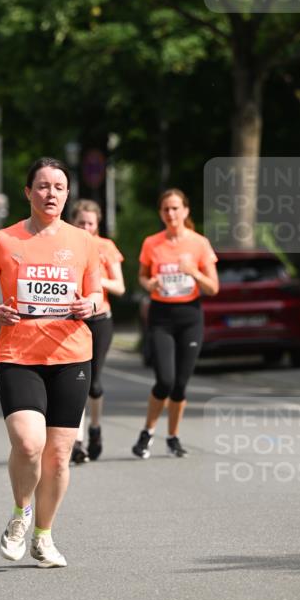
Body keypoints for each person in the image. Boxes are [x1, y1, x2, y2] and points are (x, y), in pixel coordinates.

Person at [0, 157, 102, 568]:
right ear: (28, 192)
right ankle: (19, 513)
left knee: (59, 456)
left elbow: (97, 295)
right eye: (43, 186)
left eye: (59, 187)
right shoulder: (4, 240)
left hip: (71, 355)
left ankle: (43, 537)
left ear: (68, 194)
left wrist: (89, 303)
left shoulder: (84, 243)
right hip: (18, 353)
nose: (51, 194)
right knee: (29, 443)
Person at [132, 188, 219, 459]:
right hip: (161, 318)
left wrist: (193, 271)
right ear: (161, 213)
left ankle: (173, 437)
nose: (171, 214)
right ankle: (147, 432)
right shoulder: (152, 243)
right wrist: (150, 284)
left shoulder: (199, 243)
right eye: (166, 209)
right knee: (165, 381)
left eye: (175, 208)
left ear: (185, 211)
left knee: (180, 384)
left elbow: (213, 288)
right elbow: (143, 278)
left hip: (190, 317)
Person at [70, 199, 125, 463]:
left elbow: (120, 287)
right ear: (73, 222)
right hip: (73, 320)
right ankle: (77, 442)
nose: (86, 227)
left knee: (93, 383)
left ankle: (95, 428)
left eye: (91, 223)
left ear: (97, 224)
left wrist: (96, 278)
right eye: (81, 222)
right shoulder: (65, 245)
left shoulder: (106, 248)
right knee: (77, 380)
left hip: (100, 318)